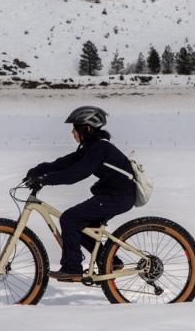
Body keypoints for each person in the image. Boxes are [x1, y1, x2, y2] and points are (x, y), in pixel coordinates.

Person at [24, 106, 136, 281]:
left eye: (75, 128)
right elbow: (64, 163)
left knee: (70, 218)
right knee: (81, 226)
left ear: (87, 129)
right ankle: (110, 262)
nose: (72, 133)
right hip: (112, 195)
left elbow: (76, 174)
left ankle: (72, 268)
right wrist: (38, 170)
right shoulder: (91, 148)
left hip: (118, 197)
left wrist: (45, 180)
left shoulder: (100, 148)